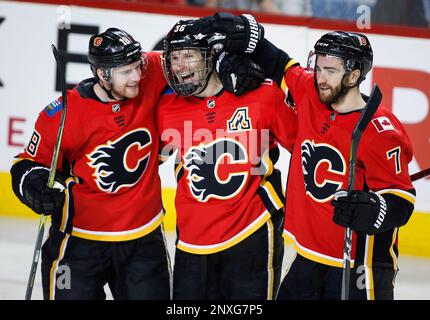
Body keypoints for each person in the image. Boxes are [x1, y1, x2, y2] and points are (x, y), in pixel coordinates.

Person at [191, 14, 416, 299]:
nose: (320, 78)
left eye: (330, 71)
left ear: (355, 75)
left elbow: (402, 199)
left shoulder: (379, 129)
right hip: (308, 259)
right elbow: (280, 63)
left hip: (361, 267)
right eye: (318, 68)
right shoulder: (311, 91)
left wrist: (378, 209)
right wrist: (247, 35)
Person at [10, 28, 171, 300]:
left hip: (144, 242)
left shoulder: (150, 71)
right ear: (101, 73)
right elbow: (26, 165)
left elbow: (186, 61)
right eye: (125, 72)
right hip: (79, 243)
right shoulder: (63, 114)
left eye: (137, 67)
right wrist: (36, 190)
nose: (136, 78)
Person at [156, 18, 297, 299]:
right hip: (191, 243)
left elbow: (307, 147)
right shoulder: (166, 109)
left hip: (252, 236)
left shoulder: (263, 96)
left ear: (210, 56)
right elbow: (146, 161)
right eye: (174, 58)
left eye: (189, 56)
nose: (180, 66)